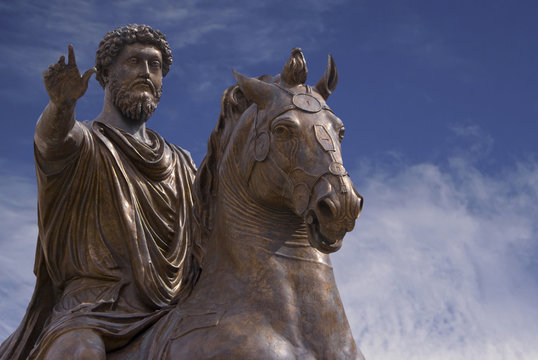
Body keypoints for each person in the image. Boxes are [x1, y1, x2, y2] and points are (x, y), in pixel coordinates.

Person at [0, 24, 201, 359]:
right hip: (93, 307)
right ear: (105, 74)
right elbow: (52, 142)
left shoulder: (181, 162)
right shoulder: (86, 142)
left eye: (155, 66)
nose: (146, 73)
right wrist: (62, 106)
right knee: (79, 352)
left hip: (176, 304)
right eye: (134, 62)